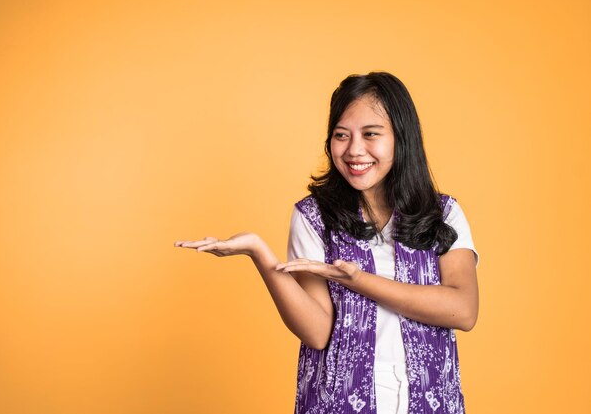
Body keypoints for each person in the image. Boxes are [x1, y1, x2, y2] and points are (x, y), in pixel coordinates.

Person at [175, 71, 479, 414]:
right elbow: (318, 332)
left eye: (371, 134)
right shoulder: (314, 217)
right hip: (336, 404)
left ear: (401, 138)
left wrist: (358, 281)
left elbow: (463, 310)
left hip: (430, 402)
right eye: (341, 135)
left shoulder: (442, 214)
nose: (354, 150)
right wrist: (260, 253)